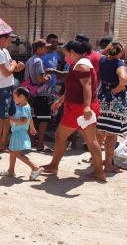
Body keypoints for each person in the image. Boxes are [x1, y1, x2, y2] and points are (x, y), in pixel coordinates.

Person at [41, 40, 106, 182]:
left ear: (72, 52)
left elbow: (87, 87)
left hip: (78, 109)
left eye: (66, 54)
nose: (65, 57)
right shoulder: (79, 64)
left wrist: (86, 107)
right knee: (91, 140)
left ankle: (54, 166)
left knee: (60, 136)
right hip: (80, 108)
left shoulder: (81, 66)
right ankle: (99, 173)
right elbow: (73, 88)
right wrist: (61, 100)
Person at [96, 42, 127, 173]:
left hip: (103, 97)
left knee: (99, 132)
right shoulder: (119, 64)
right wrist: (116, 90)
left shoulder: (102, 61)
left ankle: (96, 160)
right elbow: (124, 79)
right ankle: (108, 164)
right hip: (115, 101)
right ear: (121, 52)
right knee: (111, 134)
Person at [0, 33, 25, 152]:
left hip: (8, 86)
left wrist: (17, 66)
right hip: (1, 88)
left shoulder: (4, 51)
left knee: (8, 116)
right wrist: (15, 65)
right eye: (9, 40)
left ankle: (3, 142)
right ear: (3, 39)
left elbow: (11, 69)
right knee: (1, 117)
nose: (10, 42)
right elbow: (6, 71)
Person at [0, 87, 42, 179]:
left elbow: (24, 120)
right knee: (12, 151)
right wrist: (32, 127)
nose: (13, 99)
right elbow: (30, 118)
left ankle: (35, 167)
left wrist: (12, 119)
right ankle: (11, 170)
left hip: (19, 133)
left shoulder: (23, 108)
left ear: (21, 96)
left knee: (16, 153)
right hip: (18, 133)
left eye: (14, 97)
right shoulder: (26, 106)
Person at [24, 39, 53, 152]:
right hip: (41, 94)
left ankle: (32, 142)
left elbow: (27, 79)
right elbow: (40, 79)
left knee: (33, 118)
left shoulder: (29, 60)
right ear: (39, 48)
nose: (46, 49)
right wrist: (47, 77)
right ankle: (40, 144)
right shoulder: (39, 61)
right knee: (43, 119)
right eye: (45, 47)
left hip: (31, 93)